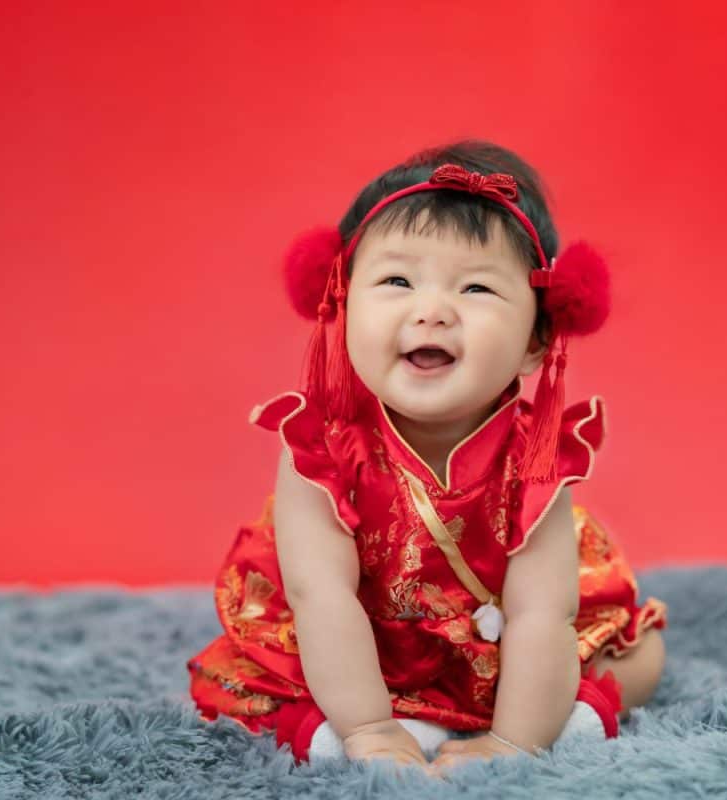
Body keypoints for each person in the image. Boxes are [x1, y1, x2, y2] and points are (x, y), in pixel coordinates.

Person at [186, 140, 667, 775]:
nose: (432, 311)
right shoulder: (320, 443)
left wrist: (513, 746)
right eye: (397, 281)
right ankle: (338, 732)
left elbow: (541, 611)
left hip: (503, 647)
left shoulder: (540, 455)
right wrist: (369, 729)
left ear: (536, 339)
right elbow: (321, 592)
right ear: (340, 302)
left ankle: (557, 719)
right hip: (357, 646)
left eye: (475, 288)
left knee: (641, 655)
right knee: (240, 681)